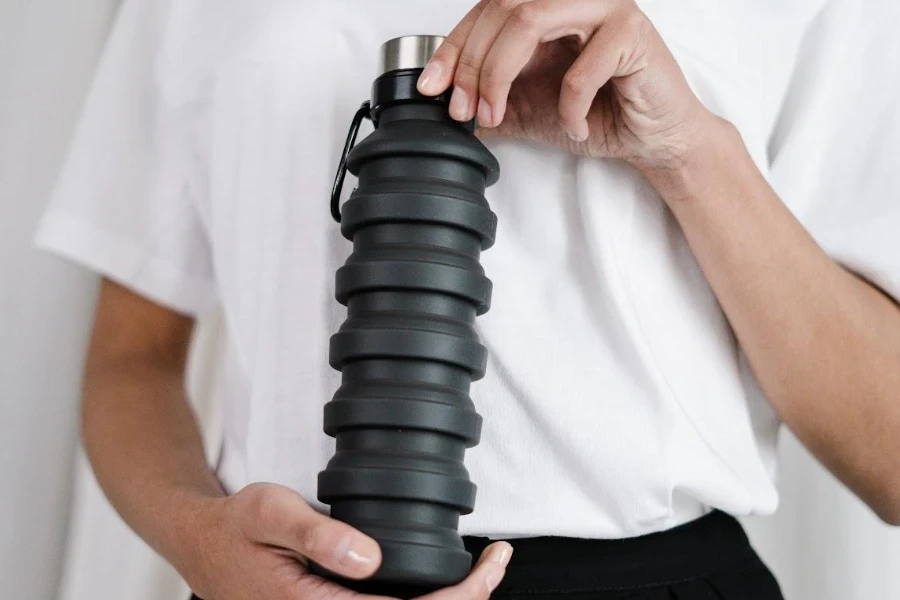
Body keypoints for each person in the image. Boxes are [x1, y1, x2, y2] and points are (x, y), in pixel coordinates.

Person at [36, 0, 900, 598]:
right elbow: (131, 358)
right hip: (268, 581)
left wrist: (686, 150)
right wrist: (201, 544)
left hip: (649, 579)